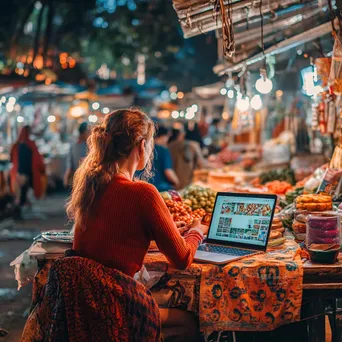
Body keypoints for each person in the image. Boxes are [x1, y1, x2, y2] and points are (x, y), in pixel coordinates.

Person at [67, 108, 208, 341]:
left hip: (85, 306)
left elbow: (113, 239)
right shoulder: (143, 193)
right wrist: (196, 231)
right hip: (118, 305)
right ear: (141, 146)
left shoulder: (90, 186)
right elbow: (182, 259)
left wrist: (160, 236)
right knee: (189, 322)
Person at [10, 126, 45, 217]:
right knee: (23, 191)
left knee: (20, 193)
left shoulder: (16, 145)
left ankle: (19, 208)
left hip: (18, 173)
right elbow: (37, 160)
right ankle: (20, 209)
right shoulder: (31, 145)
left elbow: (12, 159)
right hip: (29, 173)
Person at [168, 125, 205, 189]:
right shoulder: (194, 145)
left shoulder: (169, 146)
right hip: (186, 181)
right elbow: (201, 163)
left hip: (171, 182)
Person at [149, 125, 179, 191]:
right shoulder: (163, 150)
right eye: (167, 136)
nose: (167, 139)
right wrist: (177, 182)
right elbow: (168, 172)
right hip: (161, 189)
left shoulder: (144, 149)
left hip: (145, 186)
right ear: (162, 136)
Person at [63, 122, 89, 188]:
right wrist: (67, 174)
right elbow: (70, 163)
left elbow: (69, 162)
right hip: (82, 177)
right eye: (88, 131)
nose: (90, 133)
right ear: (84, 132)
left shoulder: (74, 145)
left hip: (83, 178)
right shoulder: (87, 146)